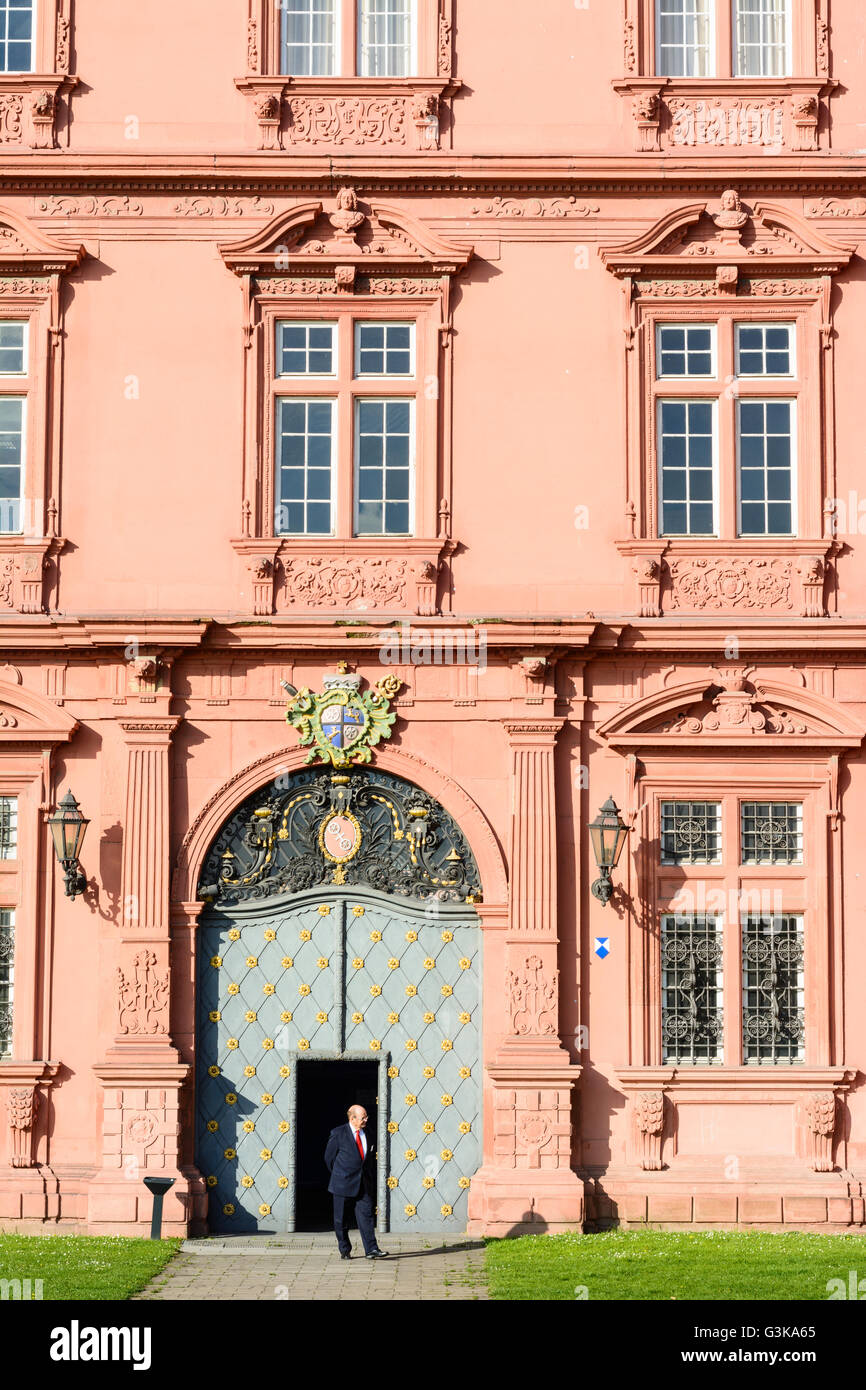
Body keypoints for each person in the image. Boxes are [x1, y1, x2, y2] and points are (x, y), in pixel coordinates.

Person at [324, 1104, 389, 1260]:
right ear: (352, 1118)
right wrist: (340, 1175)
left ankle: (371, 1249)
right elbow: (329, 1158)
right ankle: (345, 1249)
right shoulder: (338, 1133)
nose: (366, 1119)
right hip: (342, 1183)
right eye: (363, 1117)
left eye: (366, 1116)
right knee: (341, 1219)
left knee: (366, 1216)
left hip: (363, 1184)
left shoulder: (369, 1133)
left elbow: (369, 1158)